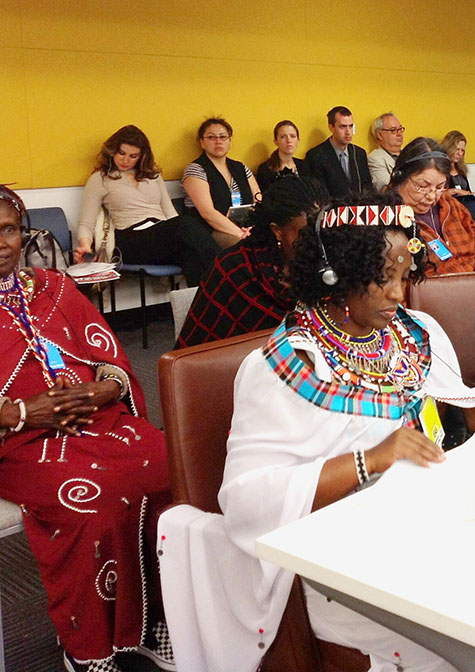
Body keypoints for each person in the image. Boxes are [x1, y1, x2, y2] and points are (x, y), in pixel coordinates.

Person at [159, 193, 475, 672]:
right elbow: (246, 501)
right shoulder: (286, 366)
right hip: (340, 568)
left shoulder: (415, 332)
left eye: (403, 276)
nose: (399, 294)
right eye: (381, 280)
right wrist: (371, 459)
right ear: (336, 276)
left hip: (430, 523)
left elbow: (447, 410)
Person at [0, 185, 173, 672]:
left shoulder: (53, 286)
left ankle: (151, 620)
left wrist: (102, 391)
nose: (1, 243)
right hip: (20, 441)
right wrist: (20, 413)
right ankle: (87, 644)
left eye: (9, 229)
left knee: (168, 468)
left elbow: (107, 354)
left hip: (96, 419)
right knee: (93, 500)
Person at [177, 175, 329, 347]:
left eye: (322, 232)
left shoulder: (331, 263)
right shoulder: (236, 269)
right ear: (277, 231)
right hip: (242, 368)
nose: (317, 243)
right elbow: (197, 353)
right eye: (304, 235)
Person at [75, 124, 219, 286]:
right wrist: (85, 248)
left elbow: (170, 213)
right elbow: (86, 223)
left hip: (160, 233)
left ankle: (203, 306)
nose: (125, 160)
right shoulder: (100, 178)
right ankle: (228, 276)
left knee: (191, 255)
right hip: (130, 238)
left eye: (133, 156)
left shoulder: (153, 175)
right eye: (121, 153)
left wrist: (183, 234)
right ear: (113, 151)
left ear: (142, 157)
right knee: (185, 224)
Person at [388, 137, 475, 275]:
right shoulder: (386, 218)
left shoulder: (452, 206)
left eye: (439, 187)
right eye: (422, 186)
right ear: (399, 176)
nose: (431, 196)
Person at [182, 117, 262, 250]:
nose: (218, 141)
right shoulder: (195, 169)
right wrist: (240, 233)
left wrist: (253, 228)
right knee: (244, 246)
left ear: (229, 140)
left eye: (223, 137)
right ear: (202, 142)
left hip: (245, 227)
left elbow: (258, 201)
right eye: (211, 137)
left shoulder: (241, 167)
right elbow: (208, 213)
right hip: (211, 230)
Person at [305, 106, 373, 198]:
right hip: (332, 209)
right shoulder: (316, 155)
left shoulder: (359, 153)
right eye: (343, 127)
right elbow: (319, 193)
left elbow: (367, 187)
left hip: (358, 208)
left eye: (351, 126)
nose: (348, 132)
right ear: (331, 127)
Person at [440, 130, 475, 224]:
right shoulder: (440, 169)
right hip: (453, 207)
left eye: (462, 150)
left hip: (467, 204)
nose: (460, 153)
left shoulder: (460, 169)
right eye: (457, 149)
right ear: (449, 147)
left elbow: (467, 191)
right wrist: (455, 191)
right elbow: (438, 195)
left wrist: (471, 194)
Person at [255, 120, 307, 193]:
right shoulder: (266, 169)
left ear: (298, 140)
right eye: (283, 137)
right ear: (276, 141)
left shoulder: (303, 166)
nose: (289, 140)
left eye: (292, 136)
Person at [368, 112, 405, 191]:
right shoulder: (375, 158)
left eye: (400, 129)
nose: (400, 134)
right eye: (393, 130)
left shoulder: (410, 153)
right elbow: (385, 188)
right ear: (379, 134)